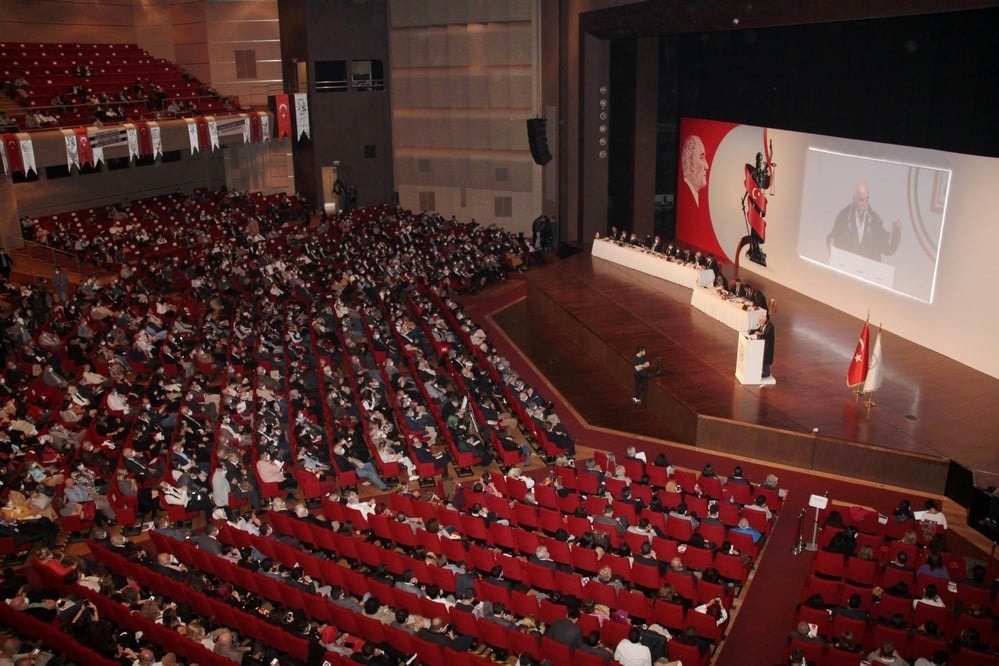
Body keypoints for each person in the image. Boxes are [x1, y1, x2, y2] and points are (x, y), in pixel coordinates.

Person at [827, 179, 901, 261]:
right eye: (861, 200)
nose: (864, 204)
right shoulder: (843, 217)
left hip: (867, 271)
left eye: (867, 199)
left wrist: (896, 232)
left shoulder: (875, 221)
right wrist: (831, 244)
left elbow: (887, 249)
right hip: (847, 268)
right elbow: (833, 237)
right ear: (855, 198)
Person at [680, 134, 709, 208]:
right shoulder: (685, 199)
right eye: (702, 158)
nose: (707, 166)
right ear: (691, 162)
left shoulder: (694, 197)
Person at [754, 312, 775, 379]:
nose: (760, 322)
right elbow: (759, 329)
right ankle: (764, 371)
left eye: (760, 321)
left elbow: (766, 334)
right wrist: (751, 331)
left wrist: (759, 334)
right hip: (764, 345)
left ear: (764, 320)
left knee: (766, 359)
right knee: (763, 358)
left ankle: (766, 373)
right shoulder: (763, 324)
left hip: (768, 346)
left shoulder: (770, 326)